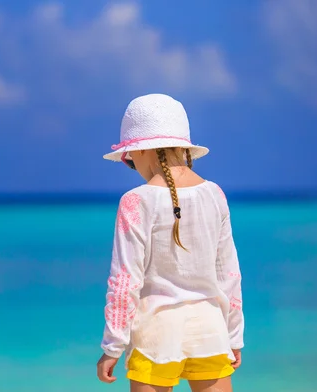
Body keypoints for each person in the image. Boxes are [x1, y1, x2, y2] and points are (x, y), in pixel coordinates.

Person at [96, 94, 244, 392]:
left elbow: (125, 282)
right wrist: (233, 336)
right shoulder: (215, 194)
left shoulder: (135, 201)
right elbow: (229, 274)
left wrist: (113, 345)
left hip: (155, 337)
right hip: (210, 331)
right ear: (183, 148)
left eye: (128, 158)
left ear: (141, 152)